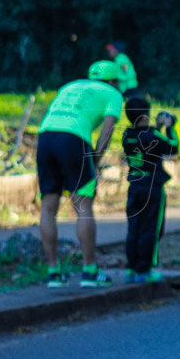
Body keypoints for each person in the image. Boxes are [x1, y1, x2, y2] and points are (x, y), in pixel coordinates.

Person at [36, 60, 124, 288]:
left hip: (45, 136)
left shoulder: (70, 85)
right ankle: (89, 270)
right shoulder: (113, 94)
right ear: (114, 81)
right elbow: (107, 131)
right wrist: (95, 160)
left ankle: (53, 272)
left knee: (48, 205)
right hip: (73, 138)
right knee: (83, 205)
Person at [121, 97, 180, 283]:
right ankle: (145, 270)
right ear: (146, 115)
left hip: (135, 186)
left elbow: (148, 144)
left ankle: (132, 268)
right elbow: (173, 147)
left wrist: (156, 127)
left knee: (134, 227)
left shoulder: (126, 134)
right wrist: (170, 126)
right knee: (151, 228)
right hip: (152, 188)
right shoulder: (153, 135)